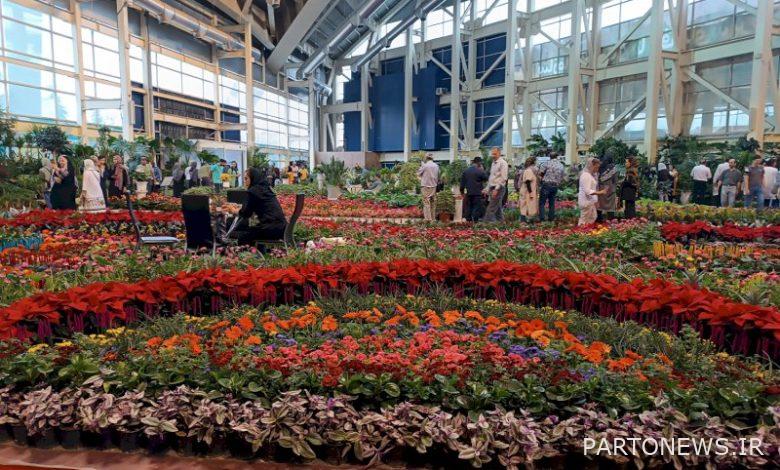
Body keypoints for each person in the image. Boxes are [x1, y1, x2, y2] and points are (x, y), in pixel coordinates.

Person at [229, 167, 287, 246]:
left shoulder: (253, 191)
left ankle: (246, 253)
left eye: (246, 179)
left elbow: (246, 213)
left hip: (270, 229)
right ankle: (258, 252)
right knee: (251, 232)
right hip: (281, 228)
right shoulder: (264, 189)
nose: (244, 181)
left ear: (253, 179)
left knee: (243, 236)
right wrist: (239, 207)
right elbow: (256, 206)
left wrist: (233, 210)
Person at [483, 147, 509, 222]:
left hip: (499, 188)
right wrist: (486, 189)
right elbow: (491, 177)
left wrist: (496, 189)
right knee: (497, 208)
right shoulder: (493, 163)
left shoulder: (503, 163)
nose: (493, 155)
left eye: (495, 154)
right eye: (492, 154)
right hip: (492, 187)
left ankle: (485, 224)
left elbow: (504, 178)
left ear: (499, 153)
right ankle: (501, 223)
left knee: (491, 207)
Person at [538, 152, 564, 222]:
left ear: (550, 156)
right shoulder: (561, 165)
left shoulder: (546, 163)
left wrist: (540, 182)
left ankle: (542, 219)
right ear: (557, 157)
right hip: (555, 186)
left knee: (542, 202)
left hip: (546, 184)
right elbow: (562, 177)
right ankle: (551, 218)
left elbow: (540, 174)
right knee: (552, 203)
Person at [460, 156, 487, 222]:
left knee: (469, 208)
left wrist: (462, 192)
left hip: (469, 193)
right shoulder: (479, 171)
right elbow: (486, 178)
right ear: (479, 163)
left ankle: (468, 222)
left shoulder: (466, 171)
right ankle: (474, 222)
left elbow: (462, 184)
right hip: (477, 193)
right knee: (476, 208)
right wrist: (482, 170)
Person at [578, 157, 604, 226]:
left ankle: (586, 230)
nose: (597, 169)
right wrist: (600, 192)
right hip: (586, 202)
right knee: (584, 220)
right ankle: (580, 231)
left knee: (592, 217)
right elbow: (587, 191)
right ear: (591, 166)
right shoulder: (586, 175)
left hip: (590, 201)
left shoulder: (589, 175)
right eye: (596, 167)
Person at [597, 149, 618, 220]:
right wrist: (613, 189)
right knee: (611, 209)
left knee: (599, 208)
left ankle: (598, 222)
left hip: (601, 190)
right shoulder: (614, 168)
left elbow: (597, 179)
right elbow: (615, 181)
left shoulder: (600, 168)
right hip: (611, 190)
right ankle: (611, 223)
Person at [417, 154, 440, 221]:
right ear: (432, 158)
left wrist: (421, 178)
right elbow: (438, 176)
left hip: (425, 186)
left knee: (426, 202)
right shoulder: (436, 166)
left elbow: (418, 173)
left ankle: (428, 219)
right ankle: (433, 218)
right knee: (433, 202)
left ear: (426, 158)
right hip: (434, 186)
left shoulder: (425, 165)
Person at [518, 157, 538, 222]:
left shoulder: (528, 170)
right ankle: (524, 221)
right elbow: (528, 182)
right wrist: (531, 192)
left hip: (526, 191)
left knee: (525, 205)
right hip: (527, 191)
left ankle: (524, 220)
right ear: (533, 163)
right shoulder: (529, 171)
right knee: (526, 205)